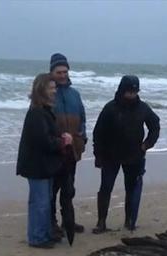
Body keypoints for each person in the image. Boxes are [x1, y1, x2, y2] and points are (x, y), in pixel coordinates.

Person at [92, 75, 160, 233]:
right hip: (110, 156)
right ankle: (101, 223)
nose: (131, 95)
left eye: (135, 92)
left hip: (134, 156)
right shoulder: (110, 108)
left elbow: (155, 126)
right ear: (121, 90)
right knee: (105, 188)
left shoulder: (143, 108)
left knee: (131, 189)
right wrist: (98, 155)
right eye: (129, 92)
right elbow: (98, 133)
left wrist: (147, 144)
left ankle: (129, 222)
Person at [16, 73, 73, 248]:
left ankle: (45, 233)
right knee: (40, 203)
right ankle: (37, 238)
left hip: (44, 165)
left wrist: (60, 137)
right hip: (37, 166)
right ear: (41, 90)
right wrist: (63, 141)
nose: (54, 91)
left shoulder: (44, 111)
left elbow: (47, 136)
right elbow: (44, 141)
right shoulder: (37, 113)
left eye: (54, 88)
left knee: (44, 202)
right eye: (51, 88)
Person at [49, 53, 88, 239]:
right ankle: (51, 223)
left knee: (69, 189)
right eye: (59, 72)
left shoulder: (75, 94)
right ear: (52, 72)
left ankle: (68, 221)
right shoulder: (47, 94)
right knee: (51, 190)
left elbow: (83, 119)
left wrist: (83, 138)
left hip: (72, 151)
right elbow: (40, 123)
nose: (63, 75)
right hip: (53, 151)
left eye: (65, 71)